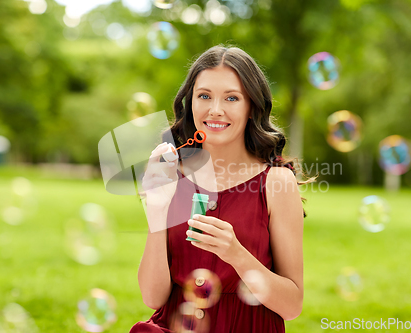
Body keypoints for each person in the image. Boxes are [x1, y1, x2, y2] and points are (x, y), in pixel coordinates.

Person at [130, 45, 307, 333]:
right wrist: (158, 208)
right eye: (204, 96)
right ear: (190, 103)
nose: (215, 110)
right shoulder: (170, 174)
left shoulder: (275, 183)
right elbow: (152, 297)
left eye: (232, 98)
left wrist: (235, 253)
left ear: (252, 107)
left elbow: (292, 305)